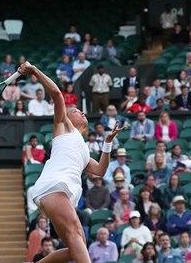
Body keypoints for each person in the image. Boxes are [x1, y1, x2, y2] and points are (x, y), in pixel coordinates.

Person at [19, 61, 125, 263]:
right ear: (67, 116)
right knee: (77, 235)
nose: (81, 112)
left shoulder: (83, 148)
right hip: (54, 187)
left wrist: (108, 143)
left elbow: (100, 171)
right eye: (76, 111)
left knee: (77, 248)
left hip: (60, 194)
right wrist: (34, 70)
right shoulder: (62, 126)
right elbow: (57, 94)